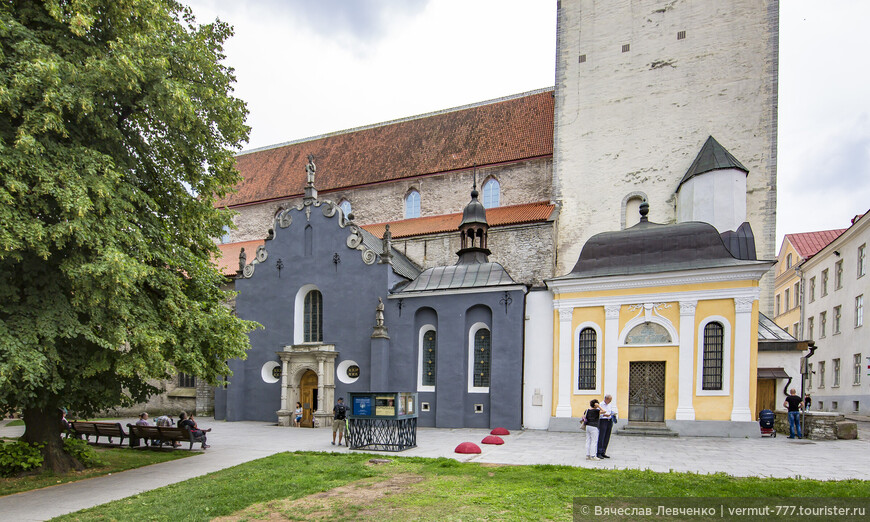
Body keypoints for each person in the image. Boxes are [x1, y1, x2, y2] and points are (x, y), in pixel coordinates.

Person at [596, 394, 616, 459]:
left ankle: (603, 452)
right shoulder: (601, 405)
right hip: (603, 421)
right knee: (602, 436)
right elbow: (598, 414)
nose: (610, 401)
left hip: (609, 420)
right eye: (609, 400)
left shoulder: (609, 405)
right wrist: (604, 415)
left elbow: (610, 411)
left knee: (607, 437)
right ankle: (599, 452)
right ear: (606, 399)